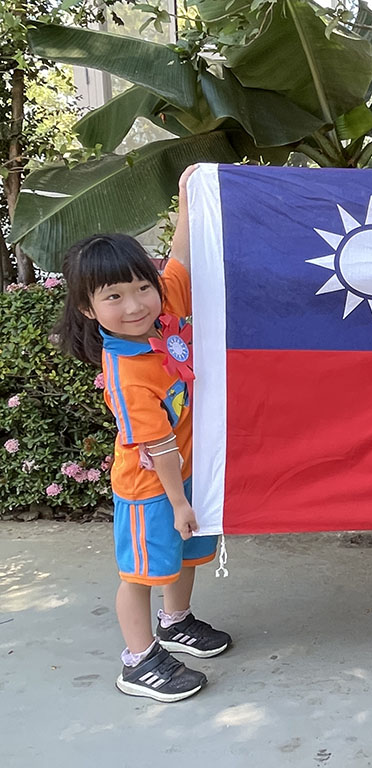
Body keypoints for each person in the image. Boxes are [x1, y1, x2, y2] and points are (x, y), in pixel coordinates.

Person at [55, 166, 230, 701]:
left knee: (185, 557)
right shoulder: (127, 372)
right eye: (113, 297)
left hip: (189, 472)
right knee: (140, 575)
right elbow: (158, 445)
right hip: (152, 488)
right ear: (87, 308)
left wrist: (187, 197)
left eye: (141, 287)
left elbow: (181, 258)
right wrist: (179, 502)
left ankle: (175, 623)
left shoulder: (164, 309)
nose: (134, 305)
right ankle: (138, 660)